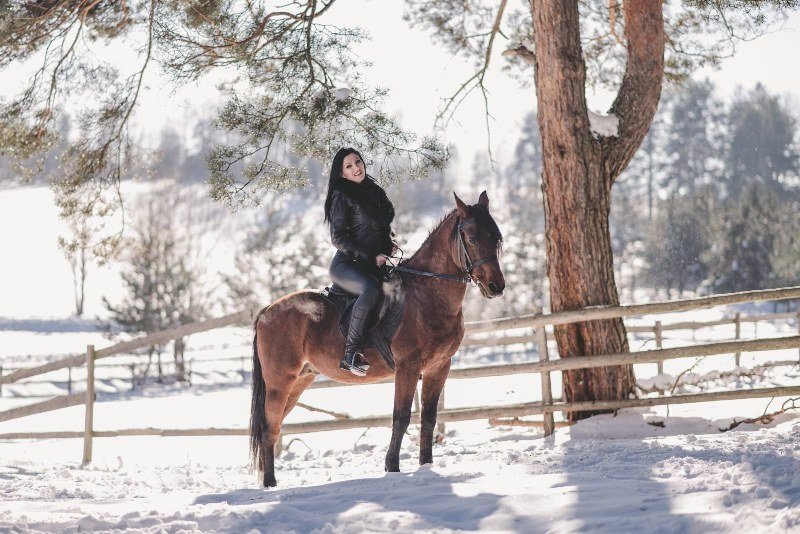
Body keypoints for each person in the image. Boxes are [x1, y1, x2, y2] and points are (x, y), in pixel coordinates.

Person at [324, 148, 396, 376]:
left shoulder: (374, 191)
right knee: (371, 290)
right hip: (347, 265)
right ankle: (350, 355)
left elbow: (379, 230)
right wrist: (370, 255)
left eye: (358, 162)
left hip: (373, 263)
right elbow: (338, 238)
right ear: (342, 173)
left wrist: (388, 245)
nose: (356, 168)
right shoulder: (341, 195)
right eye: (349, 166)